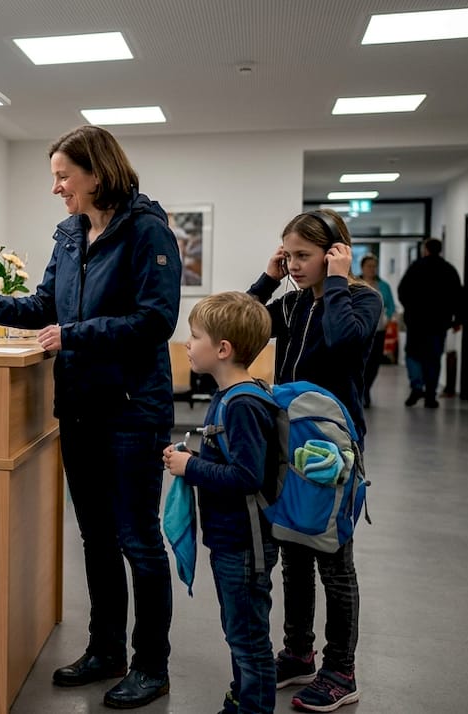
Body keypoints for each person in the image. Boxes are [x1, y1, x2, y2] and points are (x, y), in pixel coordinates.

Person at [0, 124, 181, 709]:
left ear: (96, 174)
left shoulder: (146, 230)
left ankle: (152, 665)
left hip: (132, 411)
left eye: (62, 176)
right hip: (79, 409)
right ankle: (105, 649)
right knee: (96, 538)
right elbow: (44, 306)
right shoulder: (70, 235)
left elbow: (157, 321)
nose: (56, 187)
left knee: (138, 540)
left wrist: (73, 335)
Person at [248, 208, 380, 713]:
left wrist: (341, 282)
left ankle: (341, 670)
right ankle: (299, 653)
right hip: (286, 440)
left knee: (333, 559)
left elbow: (346, 343)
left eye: (304, 256)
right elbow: (243, 322)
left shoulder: (363, 300)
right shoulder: (294, 302)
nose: (296, 265)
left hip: (334, 447)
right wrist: (269, 277)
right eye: (290, 256)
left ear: (334, 253)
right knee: (294, 551)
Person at [163, 291, 278, 714]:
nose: (188, 345)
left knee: (248, 638)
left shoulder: (243, 403)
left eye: (194, 337)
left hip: (245, 547)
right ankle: (241, 699)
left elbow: (247, 476)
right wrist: (191, 459)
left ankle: (253, 708)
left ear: (223, 349)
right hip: (231, 540)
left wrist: (190, 468)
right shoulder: (229, 395)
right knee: (239, 631)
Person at [396, 238, 462, 408]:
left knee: (413, 354)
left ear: (425, 249)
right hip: (438, 323)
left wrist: (410, 309)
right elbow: (458, 296)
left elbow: (402, 291)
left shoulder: (416, 268)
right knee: (433, 358)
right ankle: (431, 394)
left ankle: (417, 386)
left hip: (416, 322)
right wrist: (457, 319)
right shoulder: (448, 270)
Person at [359, 254, 396, 408]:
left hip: (378, 331)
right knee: (360, 363)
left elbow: (391, 306)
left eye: (374, 266)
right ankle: (359, 391)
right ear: (362, 267)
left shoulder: (383, 286)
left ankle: (366, 389)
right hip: (359, 331)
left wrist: (387, 317)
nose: (372, 269)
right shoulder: (356, 283)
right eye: (369, 266)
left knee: (373, 364)